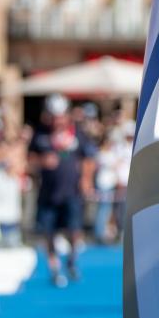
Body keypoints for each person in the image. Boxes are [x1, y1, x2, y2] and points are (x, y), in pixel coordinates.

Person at [28, 94, 96, 287]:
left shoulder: (77, 133)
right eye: (53, 116)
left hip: (71, 191)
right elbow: (29, 159)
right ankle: (54, 268)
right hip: (48, 192)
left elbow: (89, 157)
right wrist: (42, 162)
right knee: (48, 232)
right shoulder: (40, 134)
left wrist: (86, 179)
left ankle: (72, 260)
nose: (57, 120)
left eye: (60, 116)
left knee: (74, 230)